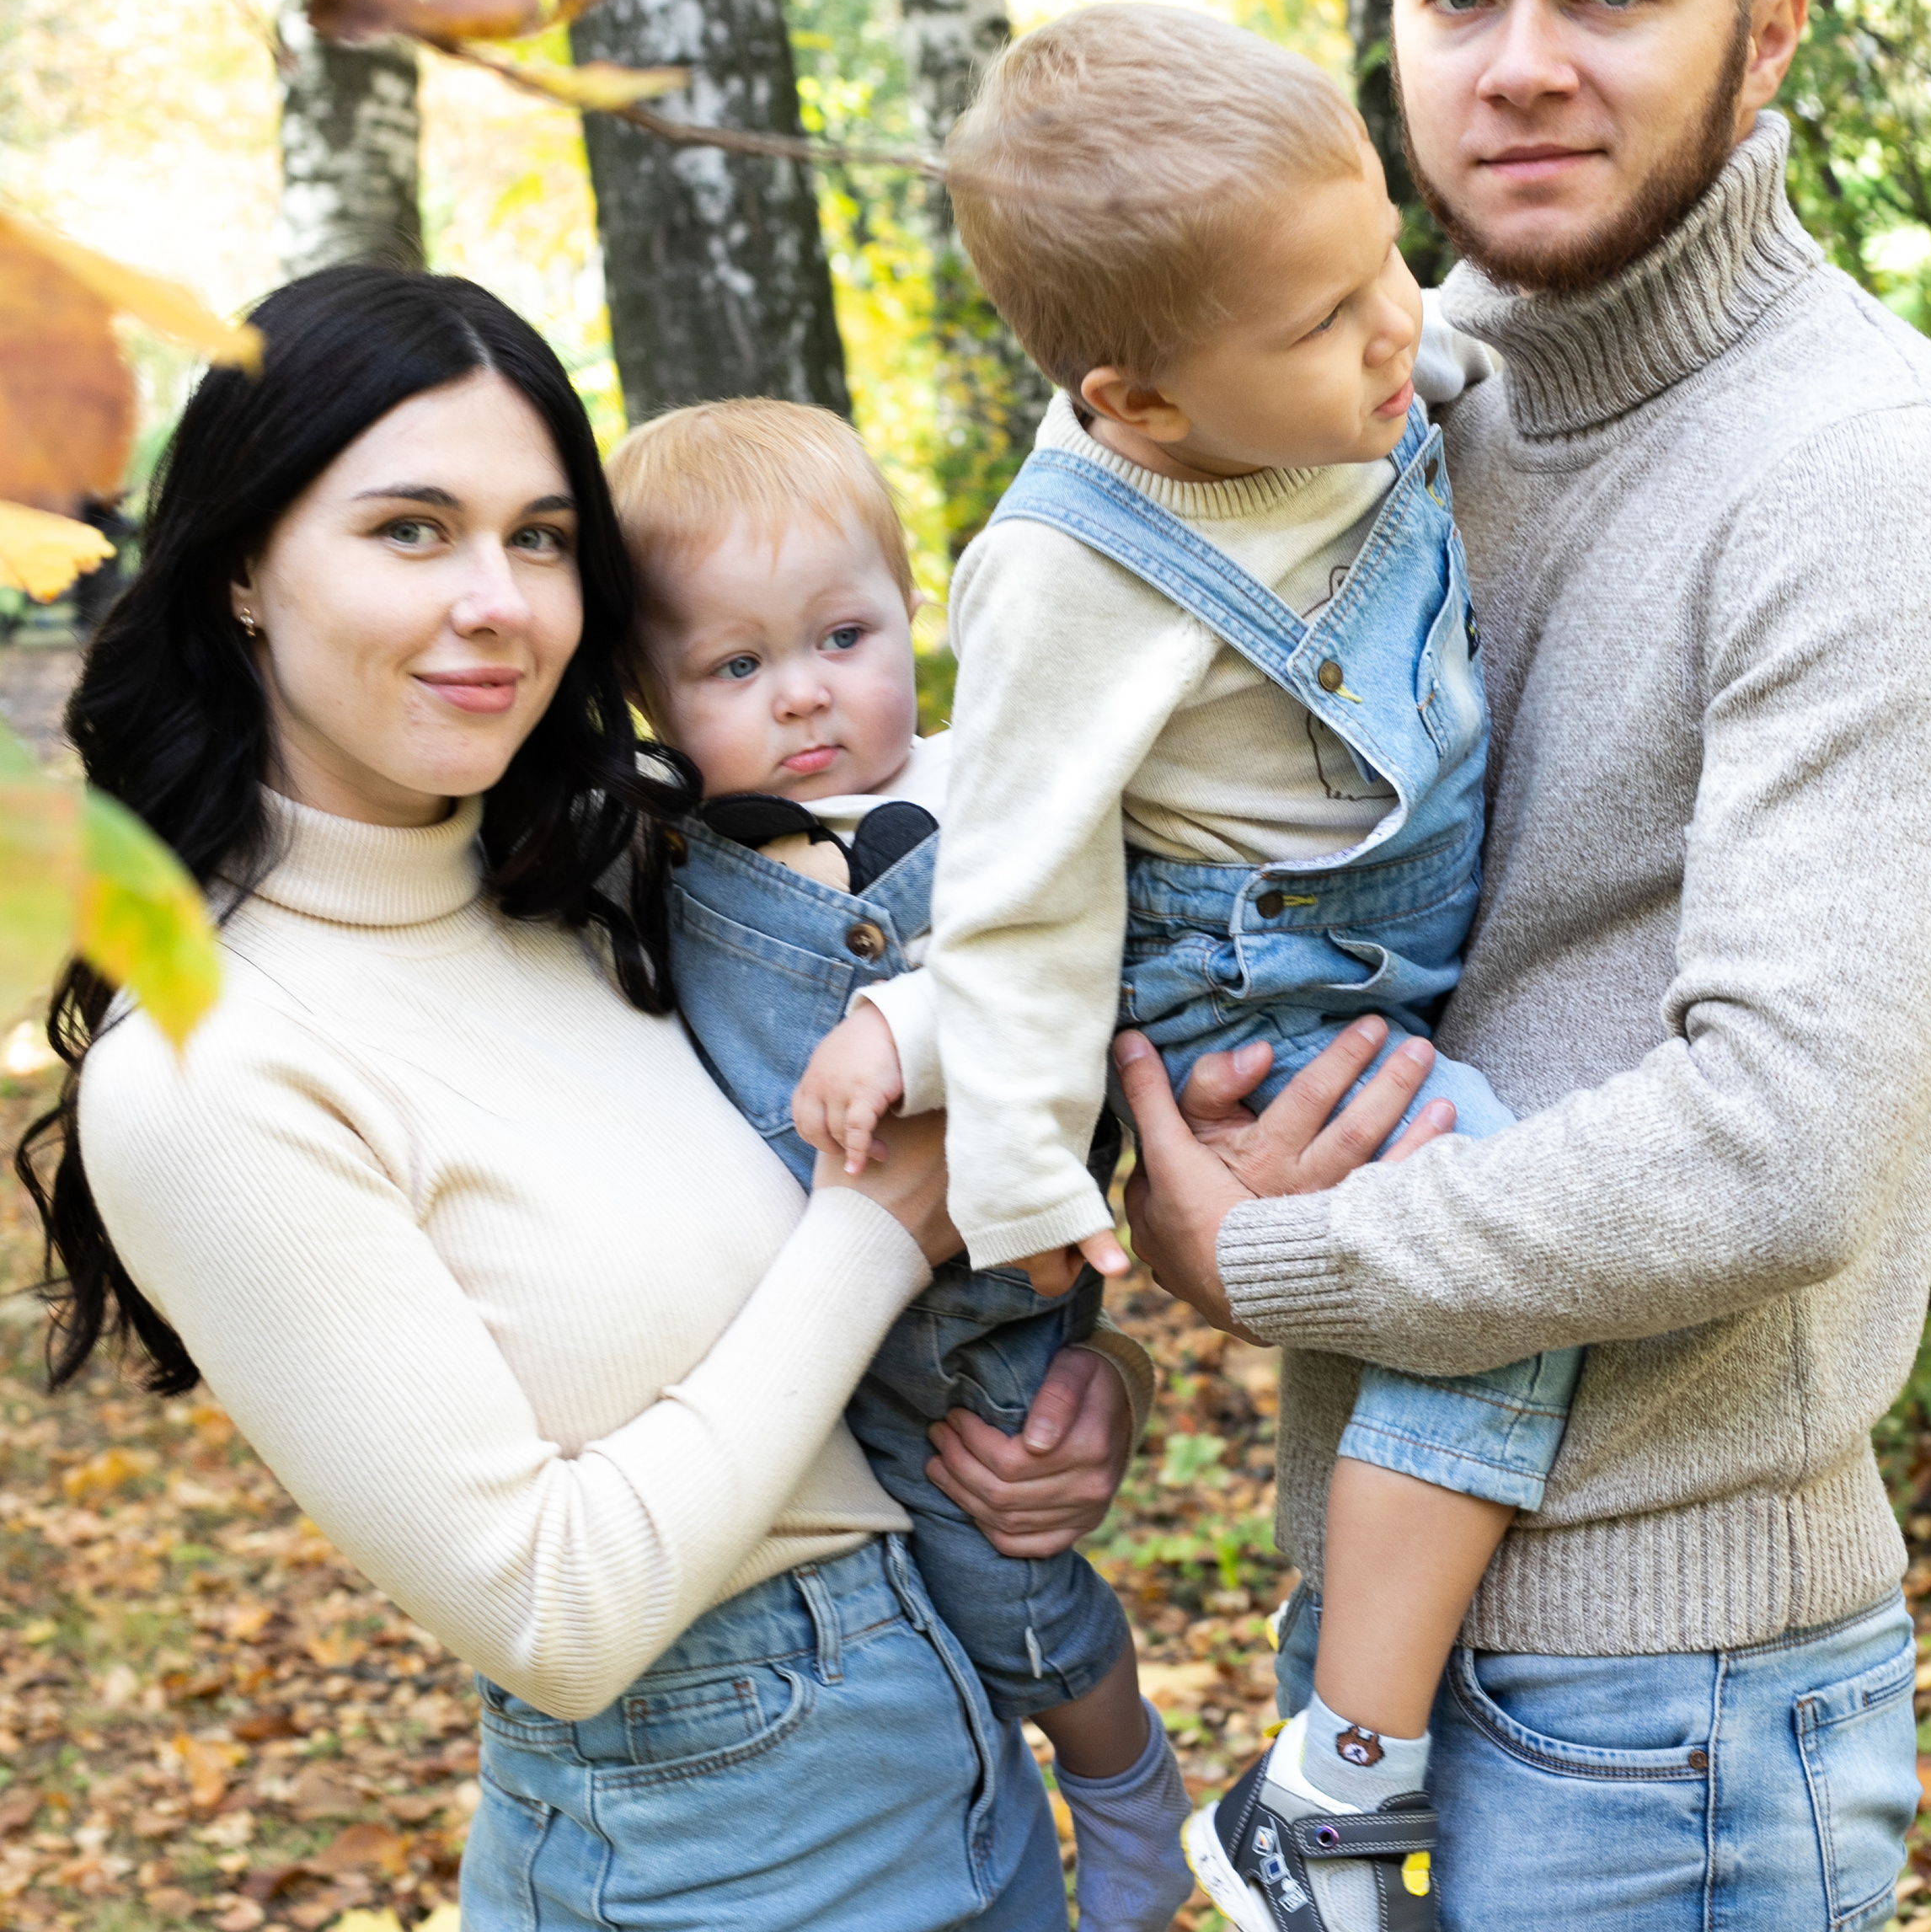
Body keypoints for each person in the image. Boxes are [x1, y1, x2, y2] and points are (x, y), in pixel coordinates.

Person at [1115, 0, 1931, 1928]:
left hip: (1668, 1711)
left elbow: (1774, 1145)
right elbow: (1189, 855)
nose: (1519, 58)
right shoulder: (1373, 416)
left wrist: (1258, 1259)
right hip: (1367, 1623)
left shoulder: (1872, 472)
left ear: (1770, 32)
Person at [16, 265, 1135, 1932]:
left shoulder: (639, 875)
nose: (497, 600)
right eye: (411, 528)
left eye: (539, 537)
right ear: (247, 564)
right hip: (711, 1848)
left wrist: (1074, 1389)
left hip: (958, 1749)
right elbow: (555, 1606)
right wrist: (875, 1230)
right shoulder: (215, 1070)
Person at [858, 0, 1573, 1932]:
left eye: (1383, 267)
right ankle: (1333, 1789)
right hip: (1247, 1008)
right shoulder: (1074, 569)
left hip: (1361, 952)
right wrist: (1026, 1187)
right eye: (1323, 319)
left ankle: (1338, 1770)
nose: (1394, 332)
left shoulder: (1344, 372)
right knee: (1497, 1266)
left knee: (1477, 1280)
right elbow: (1009, 889)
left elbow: (1428, 339)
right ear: (1144, 404)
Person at [604, 397, 1192, 1932]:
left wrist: (909, 1026)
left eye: (843, 635)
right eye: (734, 668)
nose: (804, 696)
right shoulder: (659, 844)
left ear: (912, 607)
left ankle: (1124, 1777)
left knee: (1007, 1598)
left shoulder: (989, 793)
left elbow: (1082, 968)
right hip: (777, 1362)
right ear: (647, 695)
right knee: (907, 1639)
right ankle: (988, 1815)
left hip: (973, 1323)